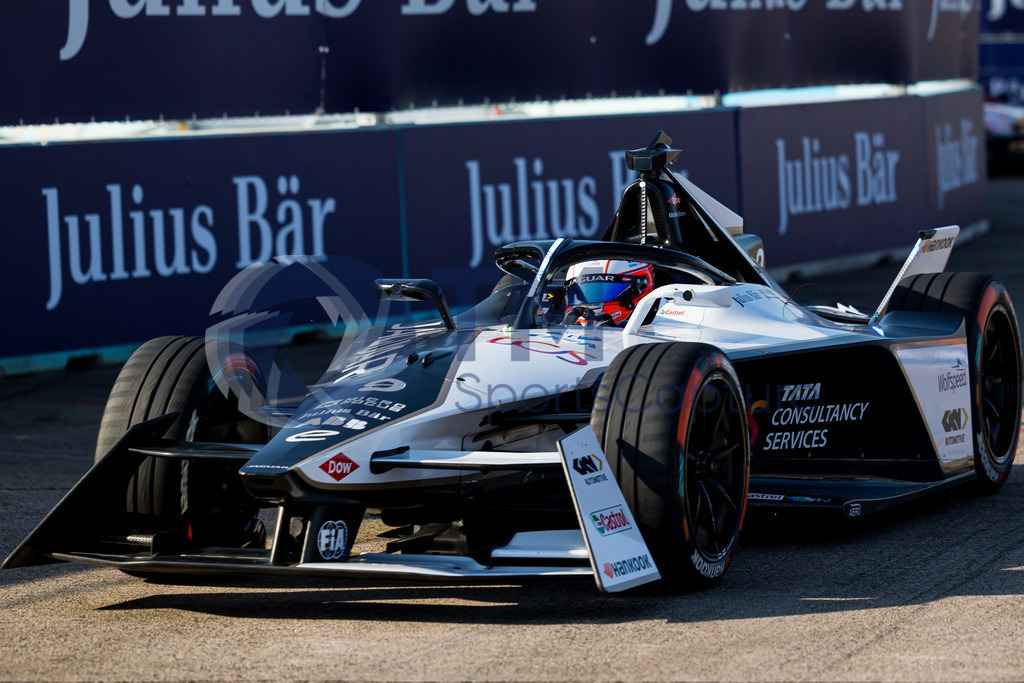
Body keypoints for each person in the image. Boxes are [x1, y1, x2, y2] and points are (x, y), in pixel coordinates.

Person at [562, 260, 655, 326]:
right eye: (587, 293)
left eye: (609, 291)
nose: (591, 308)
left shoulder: (665, 319)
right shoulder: (559, 317)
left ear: (642, 286)